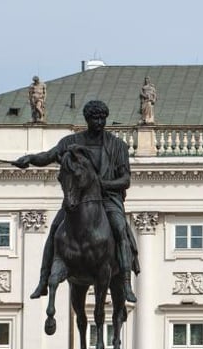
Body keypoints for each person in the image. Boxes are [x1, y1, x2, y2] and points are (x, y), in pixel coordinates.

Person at [14, 100, 138, 302]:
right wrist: (29, 158)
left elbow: (125, 180)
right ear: (87, 119)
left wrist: (101, 184)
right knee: (54, 230)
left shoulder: (117, 146)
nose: (99, 122)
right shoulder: (70, 144)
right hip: (76, 201)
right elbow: (48, 156)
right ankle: (44, 280)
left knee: (120, 228)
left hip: (107, 199)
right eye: (94, 118)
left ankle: (125, 282)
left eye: (102, 118)